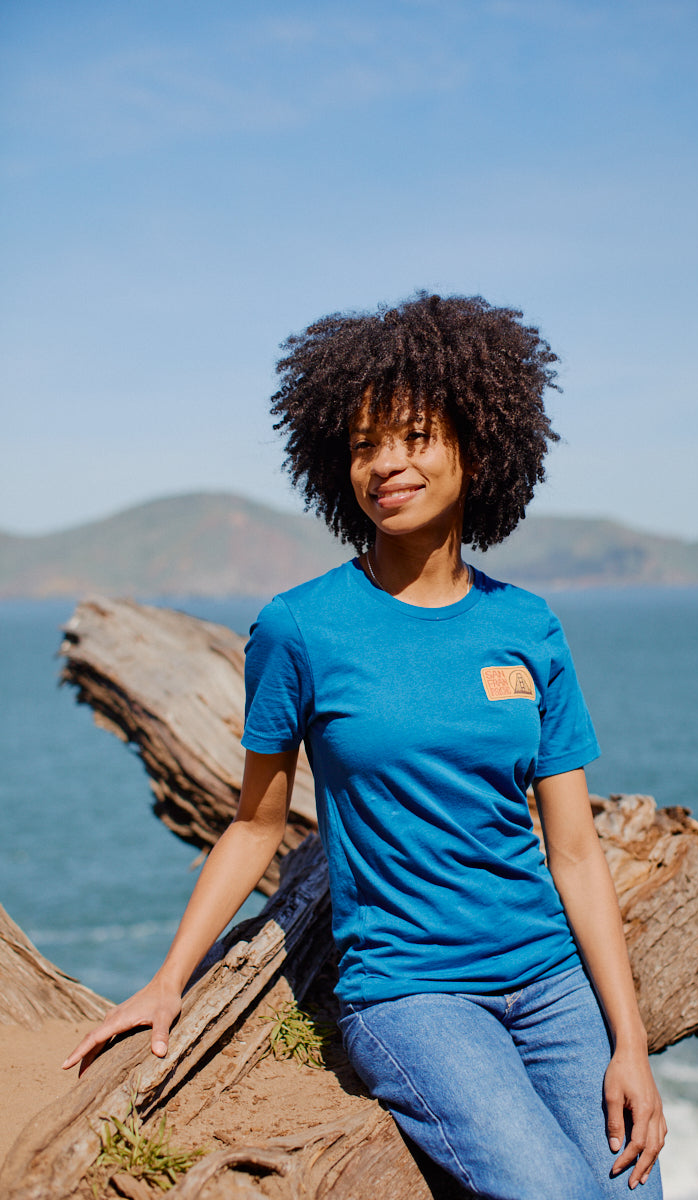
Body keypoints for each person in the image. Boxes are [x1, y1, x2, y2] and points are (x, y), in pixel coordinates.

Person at [64, 293, 666, 1198]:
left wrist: (630, 1043)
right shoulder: (302, 629)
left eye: (416, 436)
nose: (387, 464)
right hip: (412, 994)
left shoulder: (528, 629)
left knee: (636, 1190)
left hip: (549, 981)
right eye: (363, 444)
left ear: (479, 443)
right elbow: (254, 826)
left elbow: (575, 852)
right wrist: (166, 980)